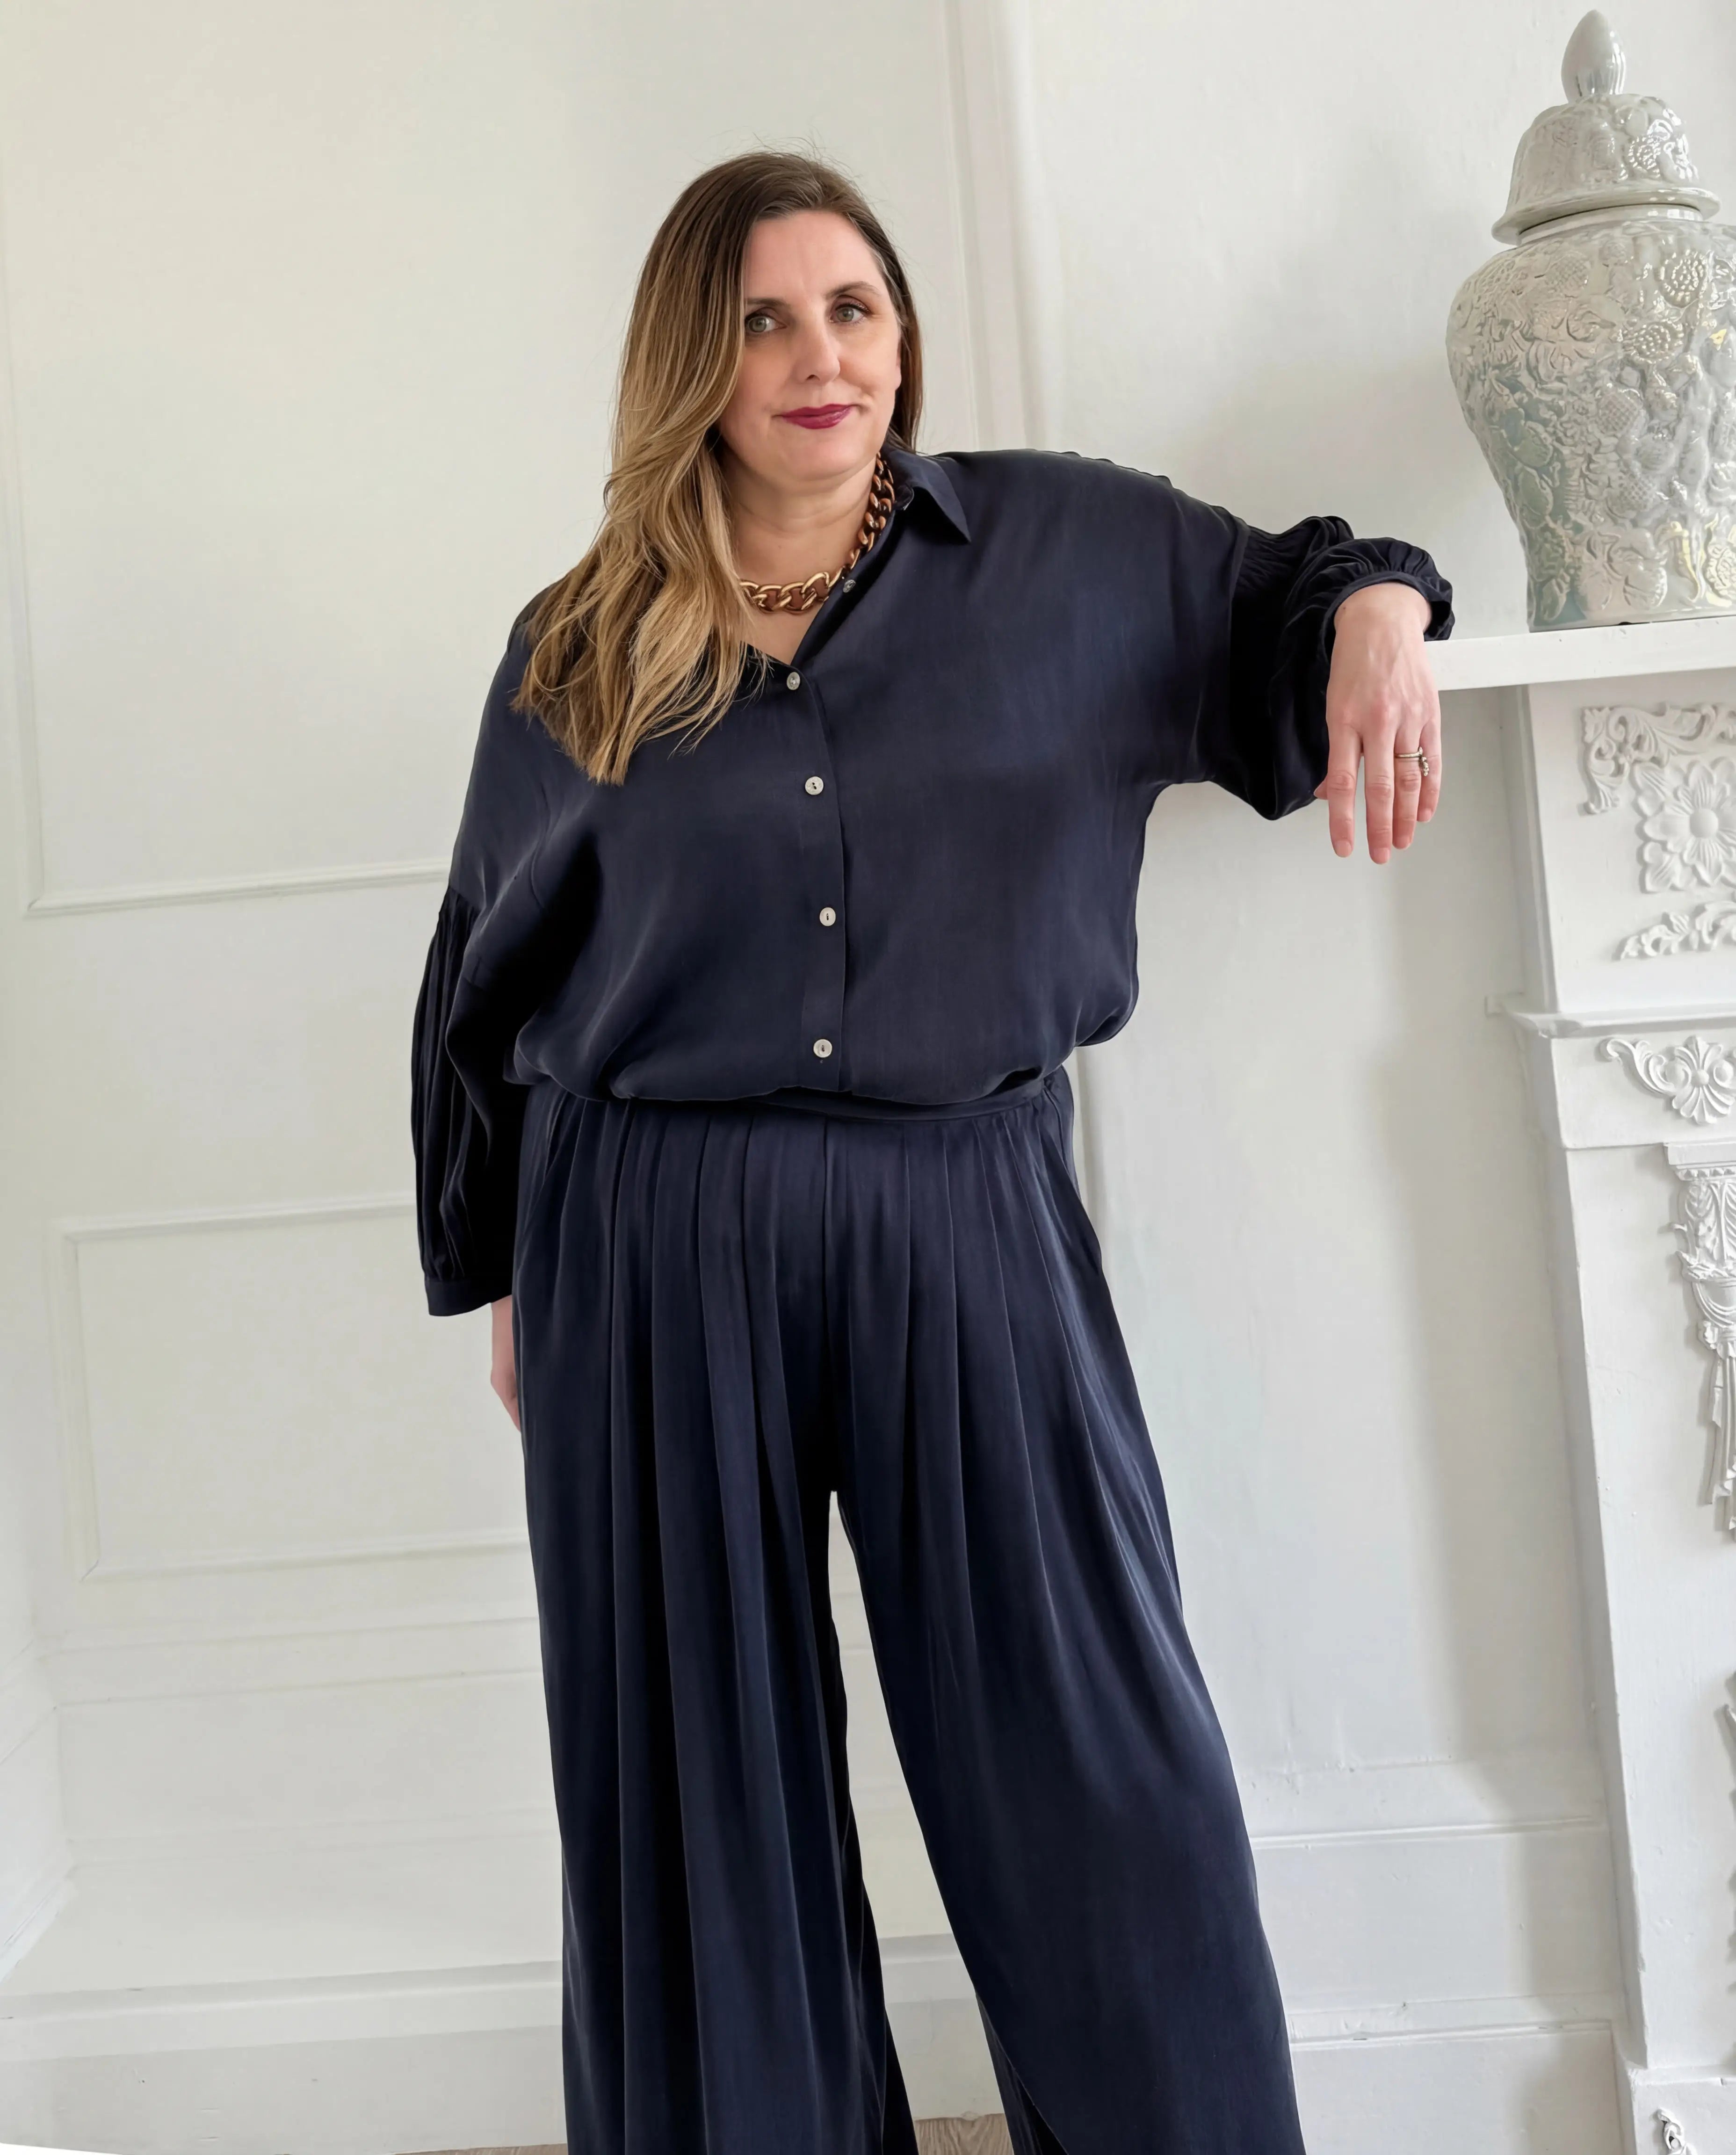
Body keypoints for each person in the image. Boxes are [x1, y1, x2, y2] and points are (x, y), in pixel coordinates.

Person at [410, 149, 1450, 2155]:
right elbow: (481, 974)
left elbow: (1296, 588)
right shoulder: (581, 643)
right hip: (647, 1232)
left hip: (964, 1211)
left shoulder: (1068, 554)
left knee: (1092, 1756)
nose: (823, 356)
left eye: (855, 307)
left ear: (906, 331)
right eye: (767, 320)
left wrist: (1388, 613)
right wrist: (506, 1274)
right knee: (697, 1797)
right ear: (690, 367)